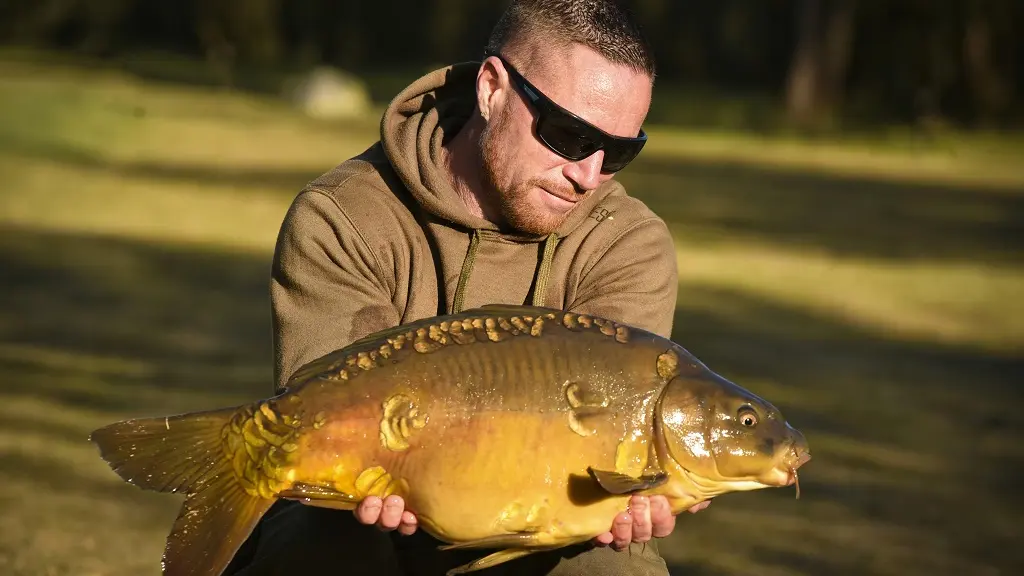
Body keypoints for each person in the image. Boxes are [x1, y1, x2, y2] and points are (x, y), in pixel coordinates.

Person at [225, 1, 709, 574]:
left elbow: (613, 447)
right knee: (317, 538)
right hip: (362, 508)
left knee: (612, 569)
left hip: (545, 520)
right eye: (567, 135)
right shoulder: (344, 215)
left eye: (620, 152)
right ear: (491, 88)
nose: (588, 175)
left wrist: (640, 494)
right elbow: (320, 408)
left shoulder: (628, 243)